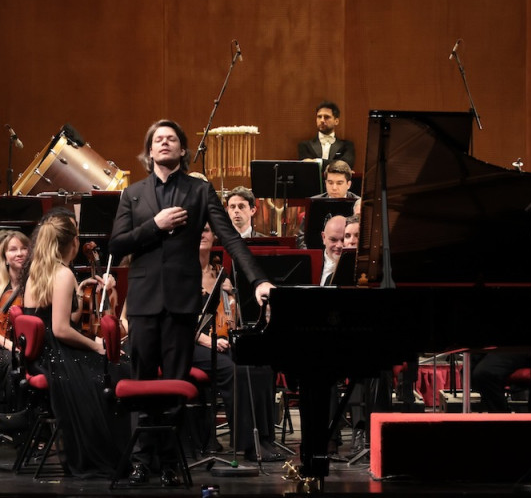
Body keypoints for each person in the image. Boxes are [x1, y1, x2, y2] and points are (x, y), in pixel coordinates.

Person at [108, 119, 274, 485]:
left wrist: (258, 280)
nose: (164, 143)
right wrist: (156, 224)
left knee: (174, 384)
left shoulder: (199, 191)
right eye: (158, 139)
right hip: (143, 301)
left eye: (171, 139)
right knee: (141, 383)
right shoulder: (133, 194)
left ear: (183, 150)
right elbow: (117, 245)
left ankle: (168, 461)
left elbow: (230, 238)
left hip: (182, 303)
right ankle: (140, 460)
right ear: (149, 151)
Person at [22, 210, 130, 478]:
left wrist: (81, 295)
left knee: (110, 366)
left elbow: (58, 319)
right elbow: (60, 329)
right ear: (71, 243)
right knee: (116, 369)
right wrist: (96, 347)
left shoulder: (37, 270)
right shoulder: (63, 273)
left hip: (40, 354)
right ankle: (120, 451)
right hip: (55, 354)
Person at [192, 223, 284, 462]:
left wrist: (231, 295)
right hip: (190, 344)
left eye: (207, 230)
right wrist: (206, 340)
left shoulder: (219, 273)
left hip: (220, 340)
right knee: (235, 371)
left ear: (214, 235)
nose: (202, 234)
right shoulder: (181, 272)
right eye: (198, 229)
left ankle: (264, 438)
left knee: (261, 365)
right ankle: (247, 444)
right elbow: (176, 321)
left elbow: (233, 318)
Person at [0, 231, 30, 411]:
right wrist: (10, 345)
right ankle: (14, 419)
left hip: (28, 344)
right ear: (5, 257)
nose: (19, 253)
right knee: (13, 362)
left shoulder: (35, 283)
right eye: (13, 249)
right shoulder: (1, 286)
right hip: (4, 344)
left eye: (24, 248)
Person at [297, 101, 356, 168]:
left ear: (336, 121)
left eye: (326, 117)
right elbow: (306, 167)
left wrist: (318, 162)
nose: (322, 120)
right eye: (319, 117)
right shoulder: (305, 145)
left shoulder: (347, 146)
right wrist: (337, 163)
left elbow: (346, 165)